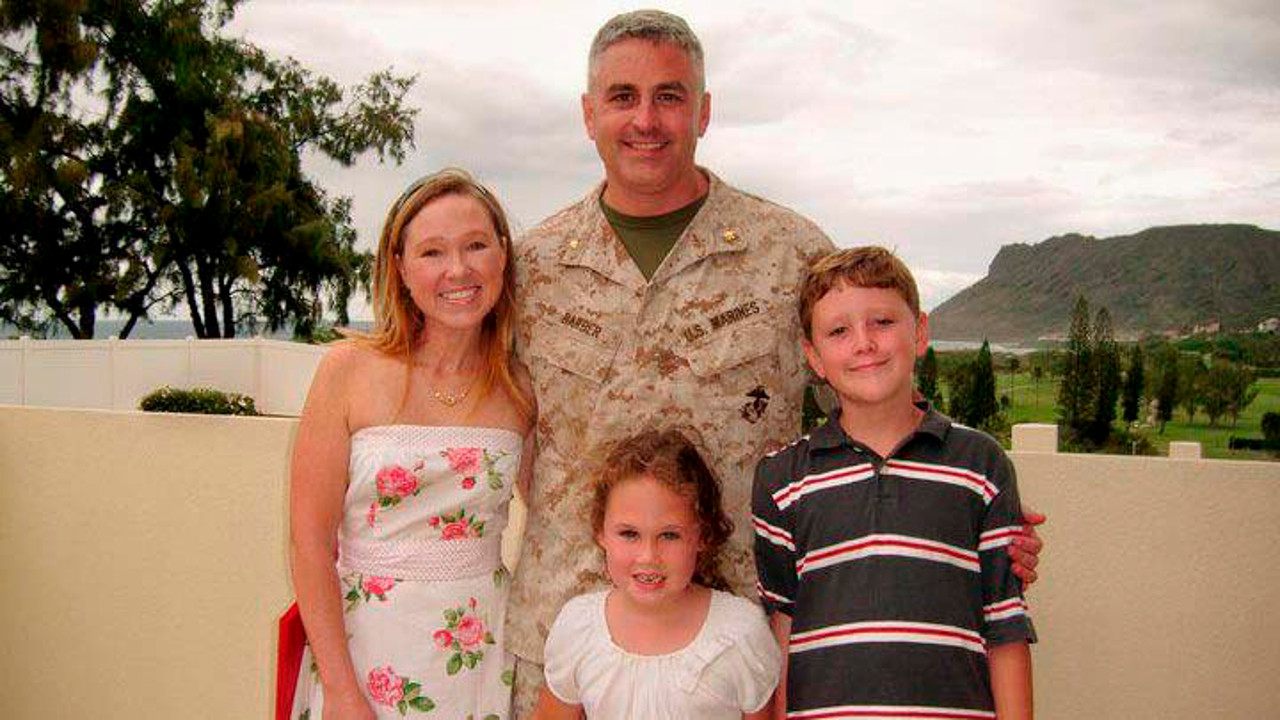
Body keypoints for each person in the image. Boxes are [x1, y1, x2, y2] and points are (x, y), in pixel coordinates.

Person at [505, 11, 1044, 717]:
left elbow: (869, 398)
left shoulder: (787, 254)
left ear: (704, 111)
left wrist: (966, 512)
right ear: (587, 113)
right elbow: (482, 424)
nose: (646, 119)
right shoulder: (532, 269)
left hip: (737, 654)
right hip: (564, 642)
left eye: (670, 95)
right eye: (622, 96)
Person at [289, 168, 535, 720]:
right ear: (399, 267)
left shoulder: (522, 387)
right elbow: (309, 546)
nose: (458, 270)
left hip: (481, 658)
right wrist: (342, 692)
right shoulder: (346, 371)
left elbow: (550, 521)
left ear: (503, 255)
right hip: (364, 654)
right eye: (432, 252)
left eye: (476, 245)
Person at [753, 246, 1036, 719]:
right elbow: (783, 624)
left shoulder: (980, 463)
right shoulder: (782, 479)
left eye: (883, 322)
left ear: (920, 331)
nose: (864, 342)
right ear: (814, 356)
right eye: (839, 331)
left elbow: (1005, 625)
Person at [532, 429, 781, 720]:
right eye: (629, 534)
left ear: (702, 535)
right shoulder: (578, 628)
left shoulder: (740, 633)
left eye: (669, 535)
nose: (648, 556)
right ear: (601, 532)